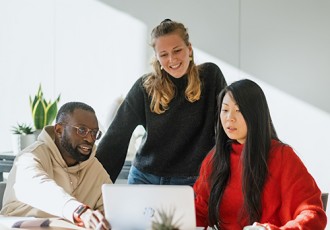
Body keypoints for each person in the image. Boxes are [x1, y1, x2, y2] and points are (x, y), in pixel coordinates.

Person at [96, 19, 227, 185]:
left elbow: (228, 124)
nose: (172, 59)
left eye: (177, 50)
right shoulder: (145, 87)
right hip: (144, 177)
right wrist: (93, 187)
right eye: (164, 54)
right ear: (157, 57)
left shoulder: (210, 77)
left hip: (193, 180)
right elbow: (116, 137)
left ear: (189, 49)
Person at [193, 79, 327, 229]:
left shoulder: (282, 156)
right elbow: (199, 213)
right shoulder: (214, 158)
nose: (229, 117)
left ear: (254, 114)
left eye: (238, 110)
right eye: (225, 110)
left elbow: (313, 214)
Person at [1, 102, 111, 230]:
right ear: (59, 130)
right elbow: (40, 188)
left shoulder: (95, 168)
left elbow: (111, 209)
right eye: (82, 130)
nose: (90, 138)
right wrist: (80, 212)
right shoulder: (30, 157)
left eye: (94, 133)